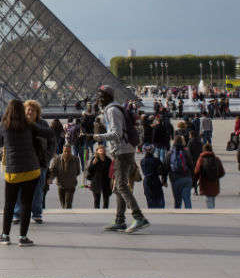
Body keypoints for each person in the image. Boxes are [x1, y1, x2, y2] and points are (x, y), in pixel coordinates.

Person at [92, 85, 149, 233]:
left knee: (121, 186)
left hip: (122, 152)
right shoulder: (113, 109)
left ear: (106, 97)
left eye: (100, 96)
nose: (98, 99)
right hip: (124, 150)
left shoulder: (111, 110)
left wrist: (98, 136)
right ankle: (119, 220)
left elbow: (116, 134)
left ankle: (139, 217)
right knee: (118, 187)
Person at [0, 99, 49, 246]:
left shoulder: (4, 126)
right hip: (32, 169)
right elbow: (48, 133)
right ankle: (23, 238)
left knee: (9, 204)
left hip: (13, 171)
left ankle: (5, 236)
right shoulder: (30, 126)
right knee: (26, 204)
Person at [12, 100, 54, 225]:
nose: (30, 112)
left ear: (37, 112)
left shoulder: (43, 124)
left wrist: (46, 158)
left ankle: (36, 213)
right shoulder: (19, 124)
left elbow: (52, 142)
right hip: (22, 162)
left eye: (33, 110)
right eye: (28, 110)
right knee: (19, 189)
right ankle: (17, 214)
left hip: (39, 162)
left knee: (38, 190)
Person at [193, 144, 225, 208]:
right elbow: (222, 172)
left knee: (208, 199)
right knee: (212, 199)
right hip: (214, 183)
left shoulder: (201, 159)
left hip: (205, 183)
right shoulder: (216, 159)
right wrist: (216, 177)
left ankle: (211, 213)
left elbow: (196, 172)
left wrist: (195, 182)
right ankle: (212, 210)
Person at [49, 144, 80, 209]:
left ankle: (68, 216)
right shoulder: (57, 159)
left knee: (68, 203)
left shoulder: (75, 159)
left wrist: (72, 176)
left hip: (71, 185)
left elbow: (78, 171)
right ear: (62, 150)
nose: (66, 153)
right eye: (65, 151)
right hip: (61, 184)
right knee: (63, 203)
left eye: (68, 151)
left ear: (71, 151)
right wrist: (50, 178)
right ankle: (66, 215)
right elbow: (53, 170)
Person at [168, 135, 193, 209]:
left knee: (177, 200)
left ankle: (177, 215)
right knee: (187, 199)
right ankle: (189, 213)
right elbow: (191, 165)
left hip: (175, 179)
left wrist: (164, 179)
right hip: (186, 177)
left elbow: (166, 166)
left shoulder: (170, 152)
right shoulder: (186, 151)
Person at [139, 144, 166, 209]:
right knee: (159, 199)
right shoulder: (157, 160)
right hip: (155, 180)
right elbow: (163, 171)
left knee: (149, 200)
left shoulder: (142, 161)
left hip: (147, 181)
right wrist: (164, 180)